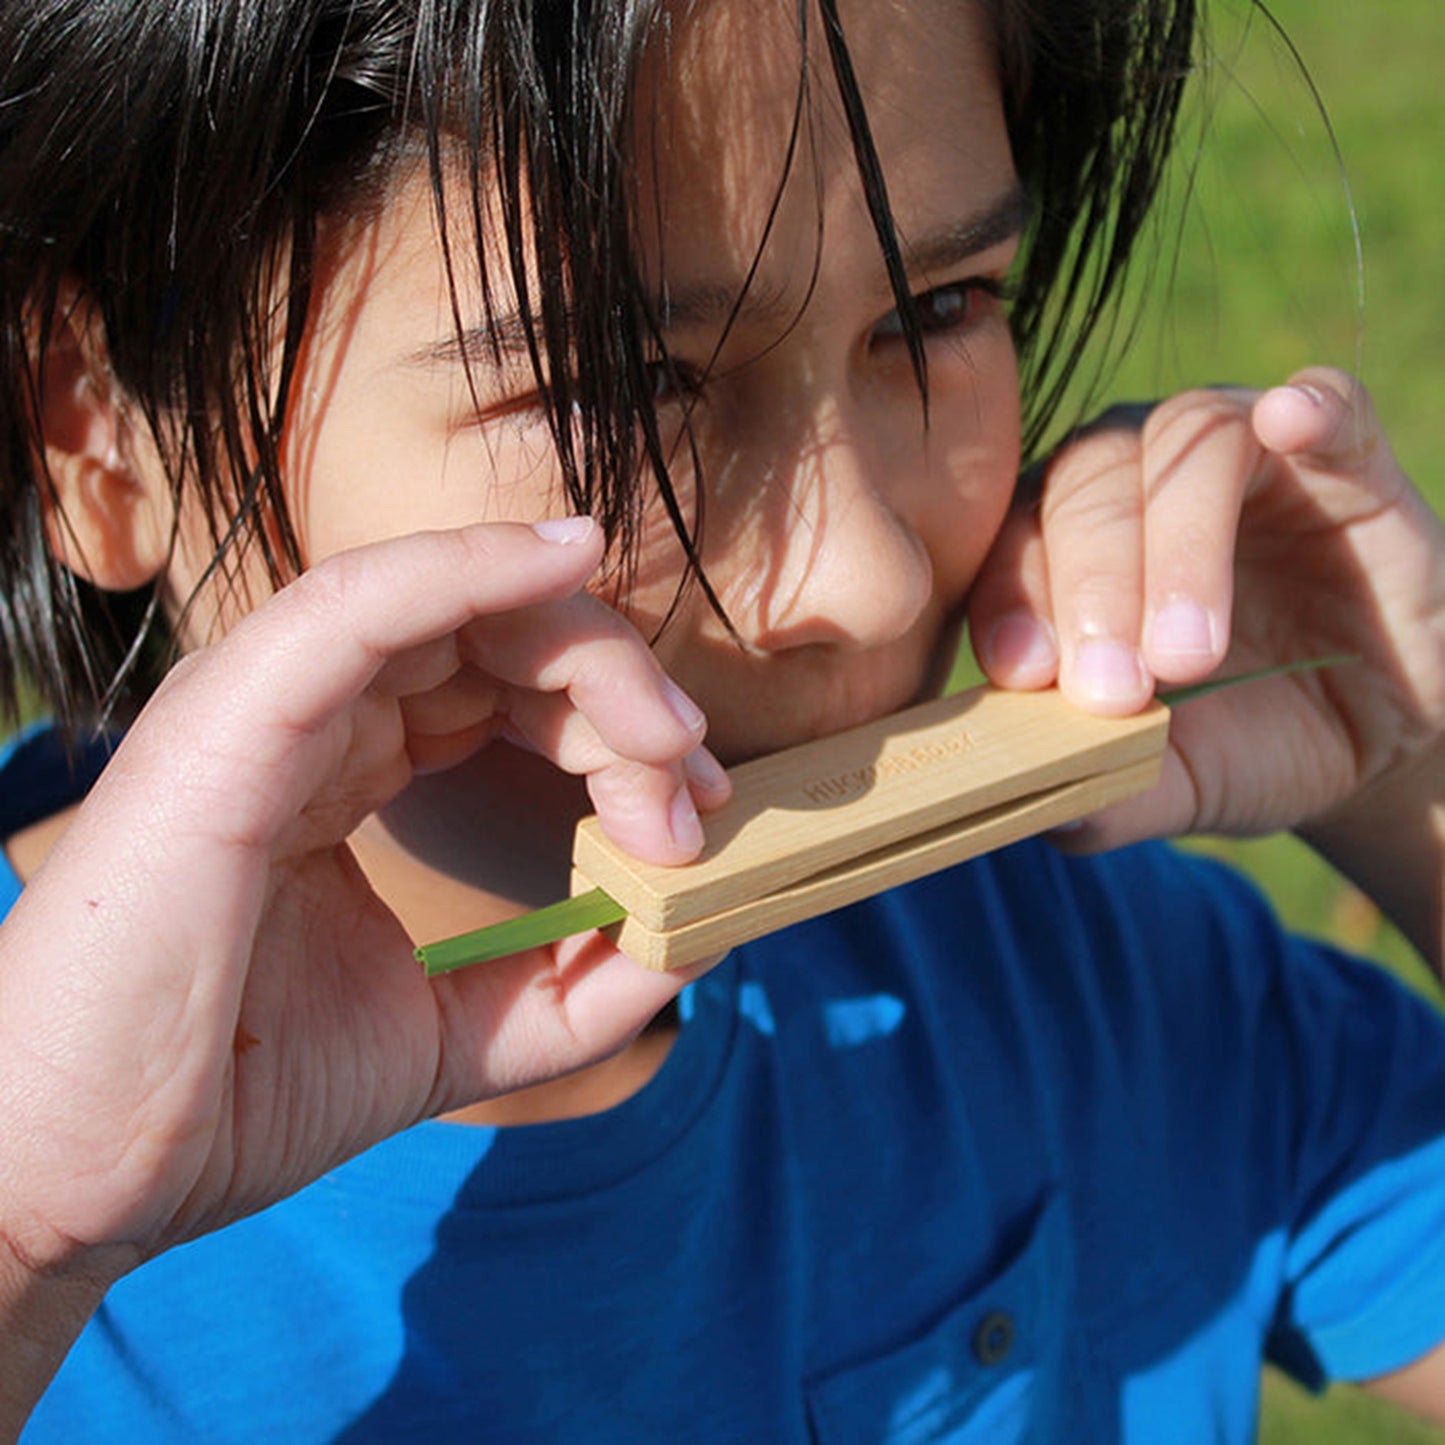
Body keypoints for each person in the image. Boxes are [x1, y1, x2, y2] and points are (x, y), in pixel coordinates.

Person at [1, 0, 1442, 1438]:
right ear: (95, 431)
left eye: (937, 310)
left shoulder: (1083, 974)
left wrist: (1415, 771)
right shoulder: (46, 1213)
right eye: (622, 383)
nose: (866, 581)